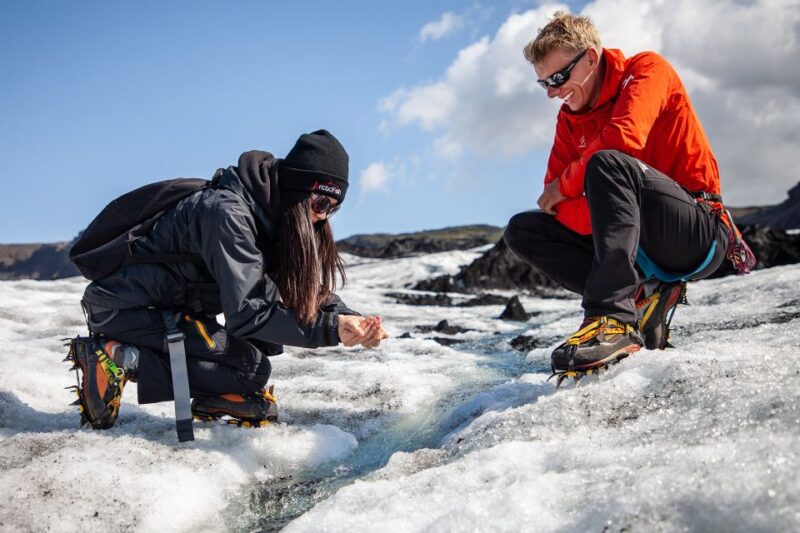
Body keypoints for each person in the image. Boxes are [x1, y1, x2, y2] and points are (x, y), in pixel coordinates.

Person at [72, 129, 389, 430]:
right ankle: (116, 358)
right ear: (296, 191)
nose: (322, 217)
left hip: (160, 310)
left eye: (332, 209)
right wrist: (331, 330)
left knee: (248, 370)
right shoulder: (228, 215)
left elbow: (293, 289)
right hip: (126, 311)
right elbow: (248, 313)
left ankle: (211, 393)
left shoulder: (267, 219)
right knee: (250, 369)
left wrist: (345, 317)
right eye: (321, 204)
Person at [503, 12, 743, 382]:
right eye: (544, 84)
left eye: (558, 78)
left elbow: (623, 140)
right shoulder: (569, 118)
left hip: (697, 230)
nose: (552, 92)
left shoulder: (646, 69)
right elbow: (556, 208)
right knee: (523, 230)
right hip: (639, 247)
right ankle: (640, 299)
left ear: (590, 59)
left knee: (609, 162)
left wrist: (573, 184)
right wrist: (588, 193)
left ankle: (612, 320)